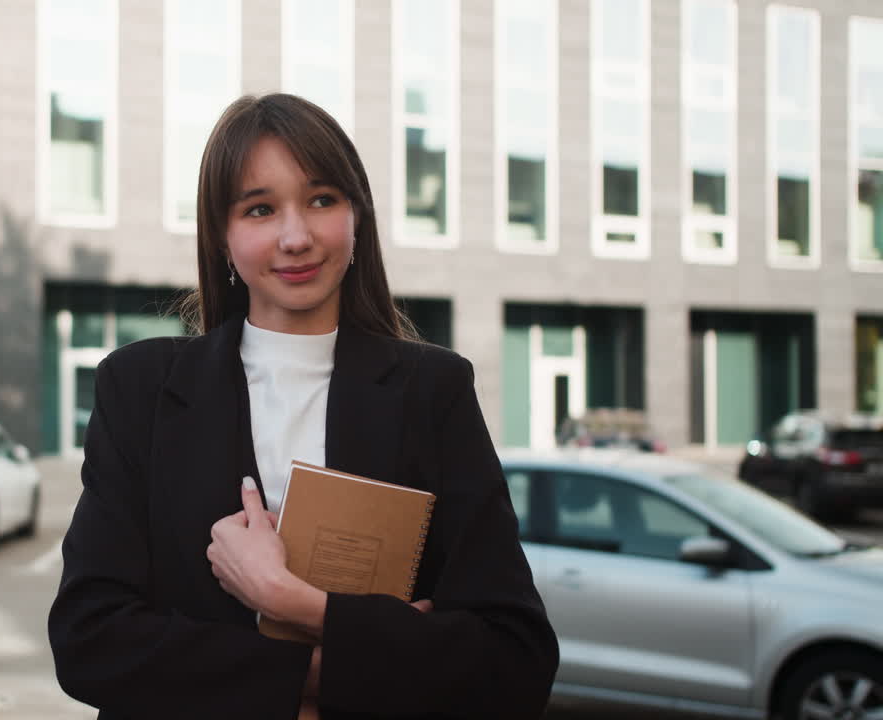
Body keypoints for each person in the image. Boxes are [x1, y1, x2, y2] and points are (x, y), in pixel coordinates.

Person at [48, 93, 558, 719]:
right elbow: (90, 641)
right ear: (223, 235)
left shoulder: (434, 391)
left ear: (356, 216)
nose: (296, 237)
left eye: (322, 200)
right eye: (260, 209)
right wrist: (320, 673)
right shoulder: (140, 389)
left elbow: (515, 659)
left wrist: (290, 601)